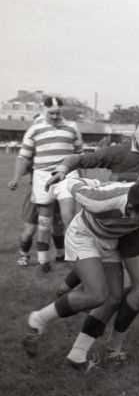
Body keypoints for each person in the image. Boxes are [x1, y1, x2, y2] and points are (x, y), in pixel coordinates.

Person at [22, 178, 139, 364]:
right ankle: (38, 320)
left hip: (110, 243)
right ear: (130, 209)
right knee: (96, 295)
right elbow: (72, 183)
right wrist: (92, 181)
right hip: (84, 236)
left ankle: (77, 355)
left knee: (113, 299)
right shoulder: (97, 200)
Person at [46, 117, 139, 296]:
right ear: (137, 134)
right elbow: (78, 159)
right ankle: (68, 293)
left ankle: (73, 292)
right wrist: (62, 169)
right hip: (125, 222)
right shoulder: (118, 152)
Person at [8, 97, 83, 272]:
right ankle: (43, 261)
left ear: (62, 112)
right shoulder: (35, 129)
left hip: (66, 175)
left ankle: (75, 257)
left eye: (58, 113)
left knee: (68, 217)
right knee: (43, 222)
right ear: (44, 111)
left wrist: (83, 181)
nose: (55, 116)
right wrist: (16, 179)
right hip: (42, 178)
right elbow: (23, 156)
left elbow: (80, 156)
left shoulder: (72, 127)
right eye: (51, 113)